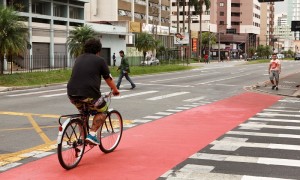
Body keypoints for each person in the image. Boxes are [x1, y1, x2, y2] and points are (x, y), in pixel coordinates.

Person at [67, 38, 119, 145]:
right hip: (89, 94)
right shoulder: (100, 60)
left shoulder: (79, 58)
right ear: (98, 50)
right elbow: (108, 78)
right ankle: (92, 134)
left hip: (72, 93)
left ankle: (82, 139)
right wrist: (115, 90)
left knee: (83, 114)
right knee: (103, 110)